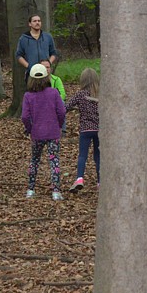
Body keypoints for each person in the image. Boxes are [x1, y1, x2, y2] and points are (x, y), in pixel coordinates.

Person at [21, 63, 66, 200]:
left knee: (34, 160)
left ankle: (30, 189)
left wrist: (30, 129)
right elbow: (62, 111)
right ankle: (56, 192)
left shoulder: (28, 96)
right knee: (54, 161)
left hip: (37, 134)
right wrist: (58, 125)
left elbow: (24, 117)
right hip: (53, 133)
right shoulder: (53, 93)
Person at [65, 68, 100, 192]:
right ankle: (100, 182)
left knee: (82, 155)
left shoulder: (80, 94)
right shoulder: (100, 94)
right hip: (100, 130)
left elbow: (67, 107)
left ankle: (79, 178)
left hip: (85, 129)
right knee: (98, 156)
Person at [16, 14, 58, 79]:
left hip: (46, 73)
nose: (37, 23)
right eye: (34, 21)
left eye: (39, 21)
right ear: (30, 24)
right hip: (31, 73)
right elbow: (19, 56)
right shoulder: (23, 39)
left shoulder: (47, 37)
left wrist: (48, 63)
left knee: (47, 89)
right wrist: (28, 66)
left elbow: (54, 53)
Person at [40, 58, 66, 132]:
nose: (46, 69)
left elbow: (62, 94)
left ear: (50, 68)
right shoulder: (36, 80)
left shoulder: (56, 79)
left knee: (62, 103)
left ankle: (63, 129)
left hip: (54, 103)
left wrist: (53, 102)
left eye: (47, 67)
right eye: (43, 67)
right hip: (40, 103)